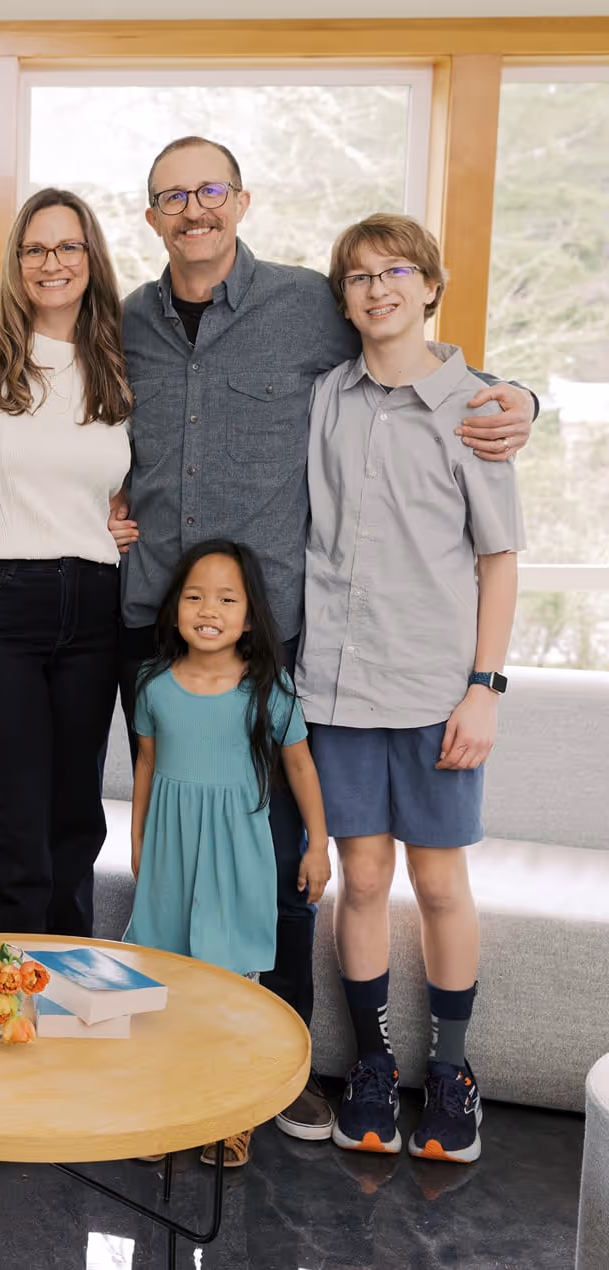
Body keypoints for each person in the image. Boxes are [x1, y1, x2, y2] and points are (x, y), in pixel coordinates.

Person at [110, 135, 536, 1141]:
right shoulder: (122, 322)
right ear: (151, 215)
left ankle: (279, 1064)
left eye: (211, 189)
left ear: (242, 199)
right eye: (172, 195)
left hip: (280, 644)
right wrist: (100, 504)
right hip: (156, 625)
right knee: (187, 852)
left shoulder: (308, 303)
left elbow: (422, 364)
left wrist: (519, 396)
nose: (194, 208)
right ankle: (169, 1059)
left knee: (287, 865)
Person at [296, 212, 524, 1163]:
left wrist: (485, 688)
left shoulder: (477, 407)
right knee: (363, 880)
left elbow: (498, 560)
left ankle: (453, 1073)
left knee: (436, 881)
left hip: (436, 692)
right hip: (336, 688)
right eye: (358, 277)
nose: (377, 288)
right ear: (343, 301)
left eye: (396, 271)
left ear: (431, 286)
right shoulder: (325, 397)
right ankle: (374, 1068)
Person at [0, 187, 131, 936]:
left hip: (94, 602)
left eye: (69, 246)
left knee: (75, 819)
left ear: (91, 258)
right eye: (36, 249)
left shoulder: (116, 361)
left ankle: (65, 976)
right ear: (16, 263)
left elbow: (118, 480)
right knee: (11, 819)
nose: (54, 263)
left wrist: (119, 519)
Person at [125, 539, 330, 1168]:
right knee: (162, 985)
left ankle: (231, 1114)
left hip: (238, 856)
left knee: (230, 993)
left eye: (226, 599)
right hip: (171, 855)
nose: (208, 609)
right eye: (194, 596)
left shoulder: (269, 688)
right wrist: (138, 841)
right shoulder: (153, 684)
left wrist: (318, 846)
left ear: (249, 616)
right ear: (174, 608)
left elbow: (301, 767)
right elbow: (146, 765)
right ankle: (163, 1109)